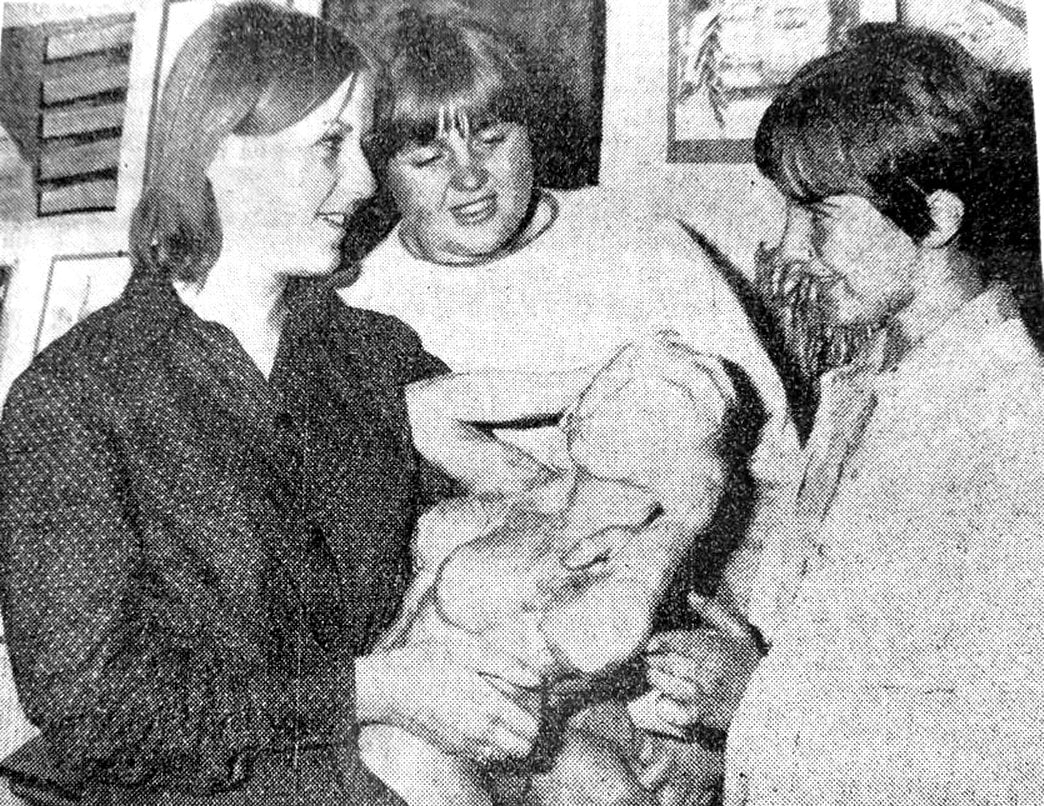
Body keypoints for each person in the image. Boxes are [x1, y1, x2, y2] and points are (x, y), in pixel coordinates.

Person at [0, 4, 541, 804]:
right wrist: (365, 692)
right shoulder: (75, 400)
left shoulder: (375, 356)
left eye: (361, 146)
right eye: (329, 146)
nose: (364, 183)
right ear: (219, 150)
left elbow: (500, 542)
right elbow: (90, 708)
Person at [644, 24, 1044, 806]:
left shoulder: (1011, 425)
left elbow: (1014, 758)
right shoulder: (864, 384)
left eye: (821, 216)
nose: (789, 249)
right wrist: (722, 739)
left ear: (937, 218)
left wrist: (754, 705)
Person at [361, 332, 741, 806]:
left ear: (693, 474)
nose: (623, 396)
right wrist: (583, 383)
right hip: (365, 719)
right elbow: (422, 412)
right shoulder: (523, 492)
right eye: (617, 386)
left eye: (663, 403)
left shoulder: (635, 563)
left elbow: (598, 640)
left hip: (461, 756)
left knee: (404, 755)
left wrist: (680, 526)